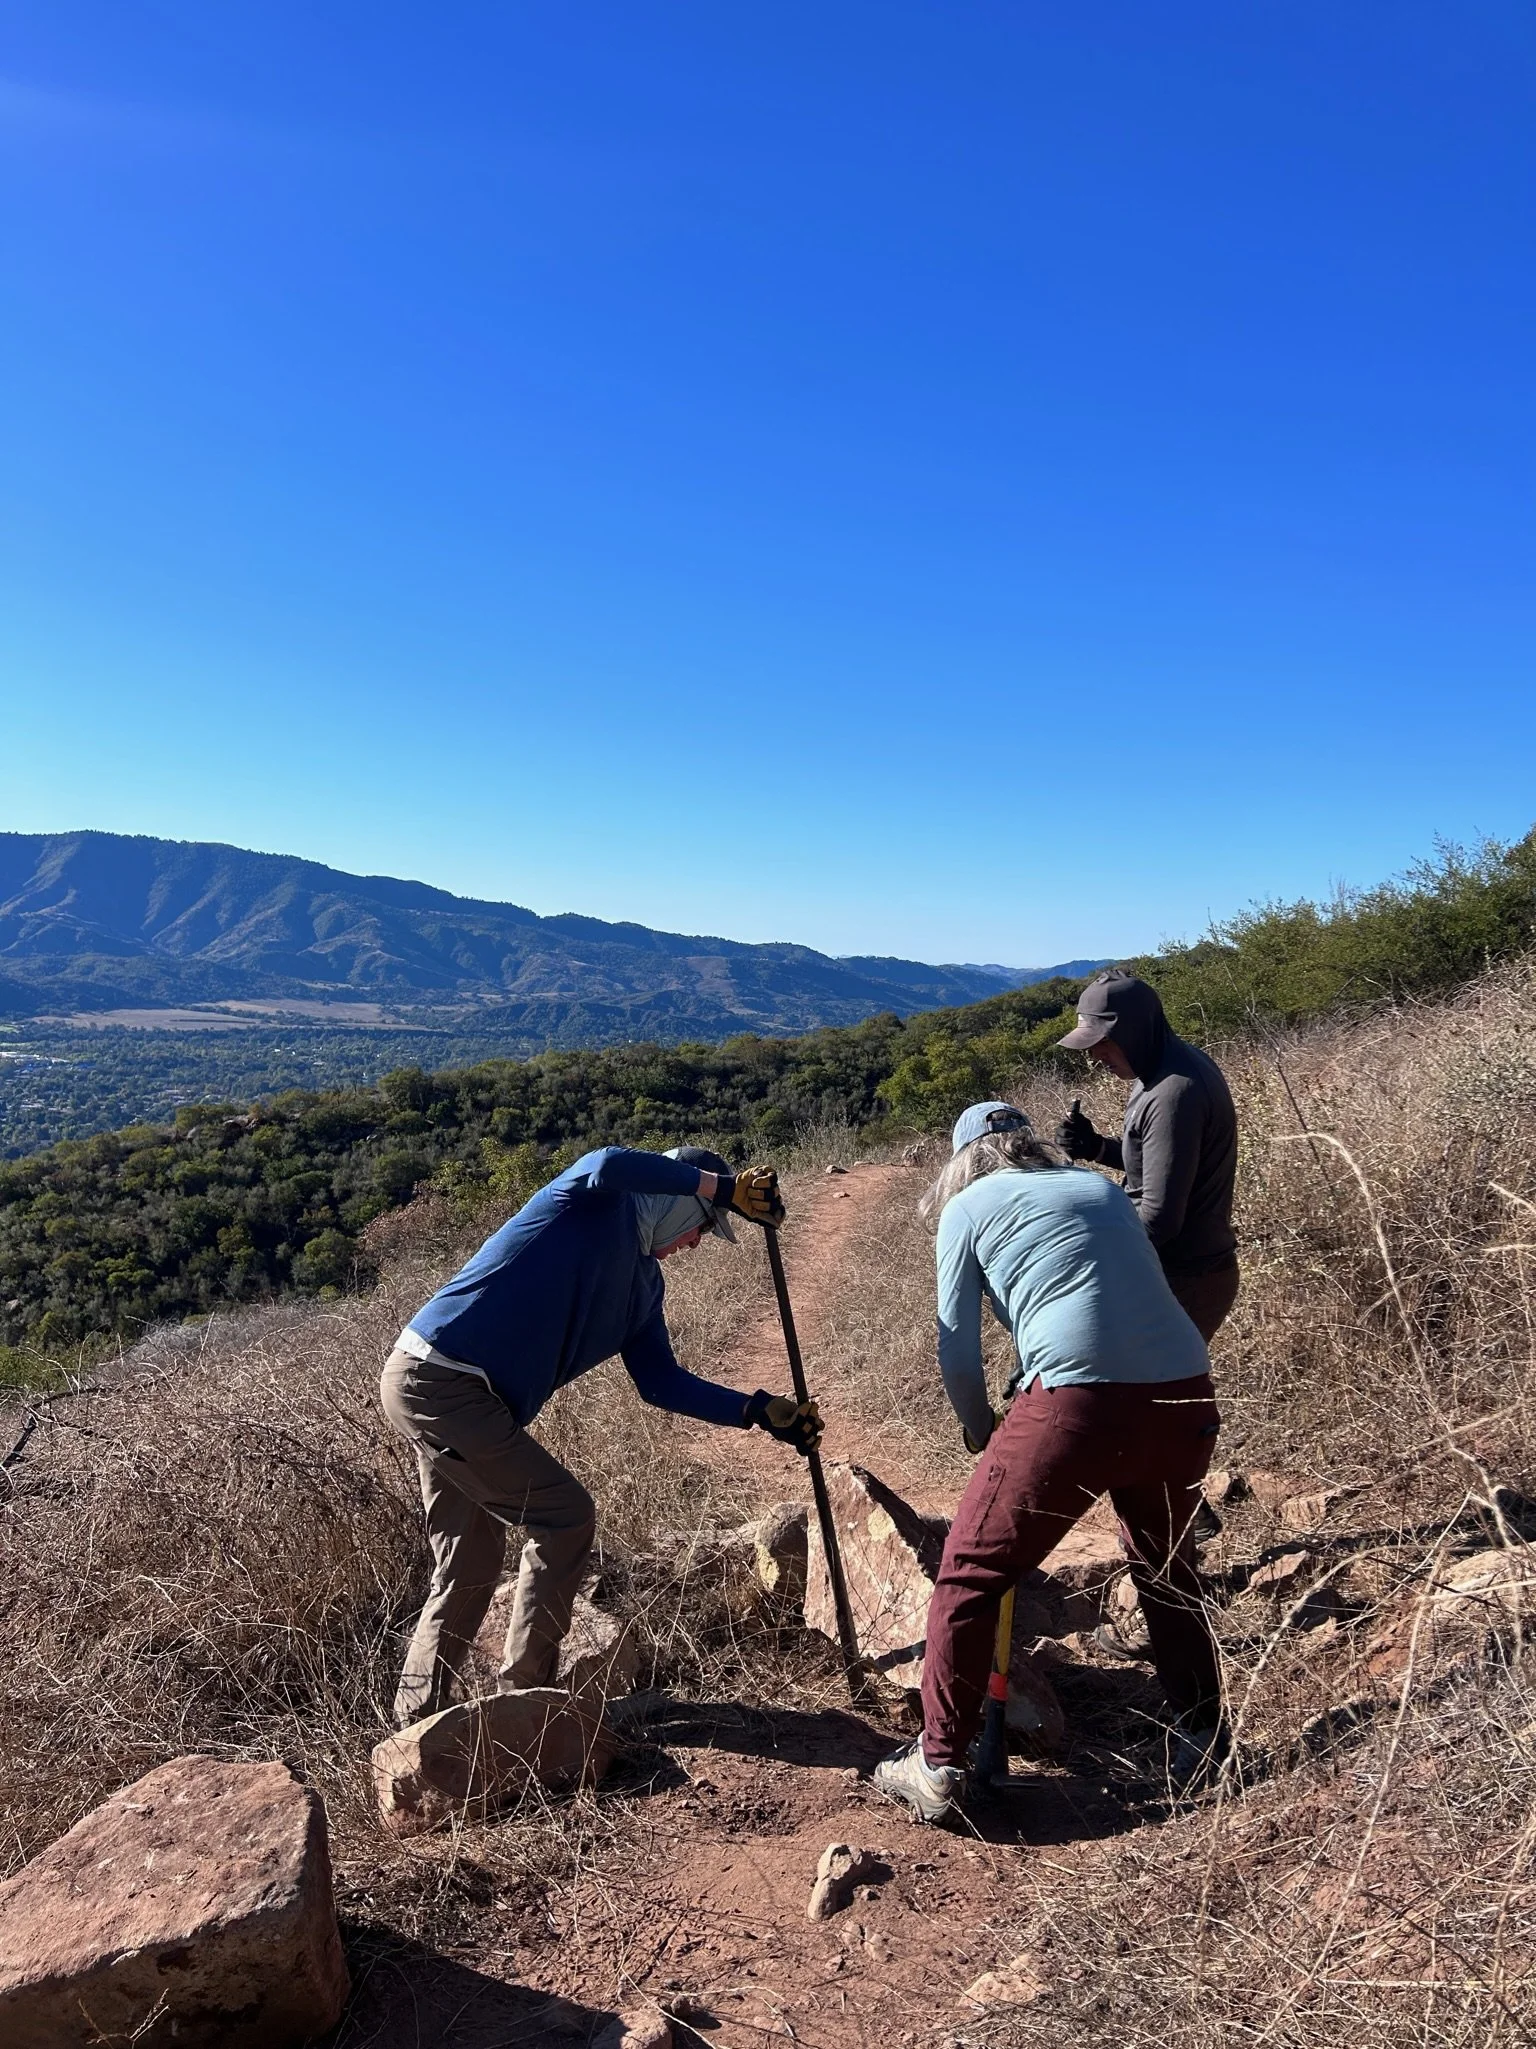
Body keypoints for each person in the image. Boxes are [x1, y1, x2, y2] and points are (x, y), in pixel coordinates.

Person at [380, 1144, 821, 1729]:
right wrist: (723, 1188)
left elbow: (661, 1382)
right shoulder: (591, 1202)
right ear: (676, 1199)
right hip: (441, 1380)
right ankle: (527, 1706)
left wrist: (760, 1410)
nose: (693, 1243)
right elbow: (607, 1160)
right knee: (563, 1517)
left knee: (469, 1559)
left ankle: (416, 1725)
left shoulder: (644, 1285)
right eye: (699, 1225)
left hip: (452, 1395)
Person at [872, 1102, 1227, 1826]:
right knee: (1166, 1567)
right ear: (1027, 1142)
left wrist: (979, 1430)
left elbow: (957, 1353)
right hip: (1185, 1391)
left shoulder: (966, 1208)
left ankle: (938, 1763)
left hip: (1077, 1401)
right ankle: (1204, 1736)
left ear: (963, 1160)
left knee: (971, 1570)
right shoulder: (1096, 1188)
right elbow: (1116, 1296)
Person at [1055, 972, 1239, 1345]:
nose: (1094, 1056)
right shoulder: (1158, 1070)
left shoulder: (1173, 1094)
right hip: (1176, 1272)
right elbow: (1162, 1166)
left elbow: (1159, 1218)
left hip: (1183, 1278)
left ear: (1132, 1031)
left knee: (1154, 1399)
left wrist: (1091, 1268)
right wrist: (1096, 1147)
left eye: (1102, 1043)